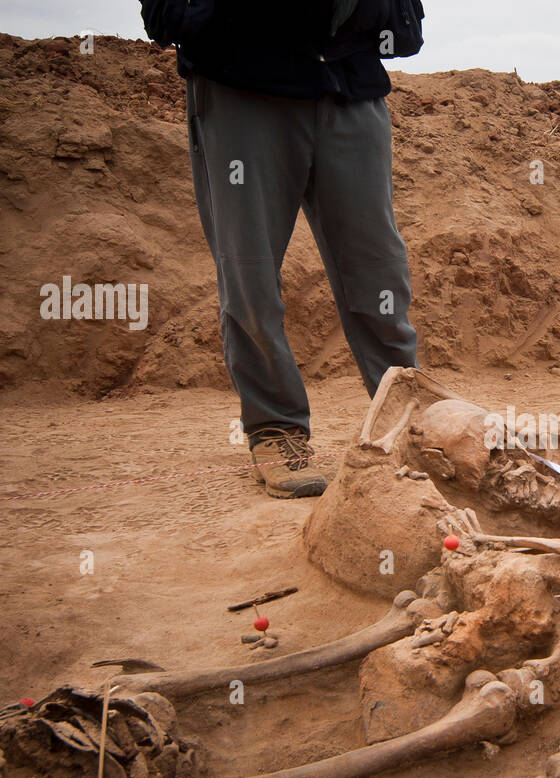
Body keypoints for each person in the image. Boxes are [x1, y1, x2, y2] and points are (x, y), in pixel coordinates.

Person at [139, 1, 421, 497]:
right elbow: (166, 17)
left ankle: (410, 422)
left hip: (349, 91)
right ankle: (276, 430)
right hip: (242, 91)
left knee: (380, 274)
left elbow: (407, 27)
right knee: (251, 273)